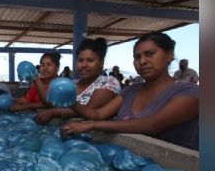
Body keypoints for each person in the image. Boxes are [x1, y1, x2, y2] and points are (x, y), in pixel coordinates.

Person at [60, 32, 199, 150]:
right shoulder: (131, 91)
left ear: (169, 55)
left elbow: (151, 125)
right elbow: (98, 113)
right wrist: (70, 101)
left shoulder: (189, 92)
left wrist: (90, 126)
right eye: (137, 57)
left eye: (150, 54)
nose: (142, 61)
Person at [34, 37, 120, 124]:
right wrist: (36, 79)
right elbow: (51, 104)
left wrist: (53, 112)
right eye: (80, 60)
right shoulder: (73, 83)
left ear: (101, 62)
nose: (84, 65)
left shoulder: (108, 82)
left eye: (90, 60)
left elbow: (90, 110)